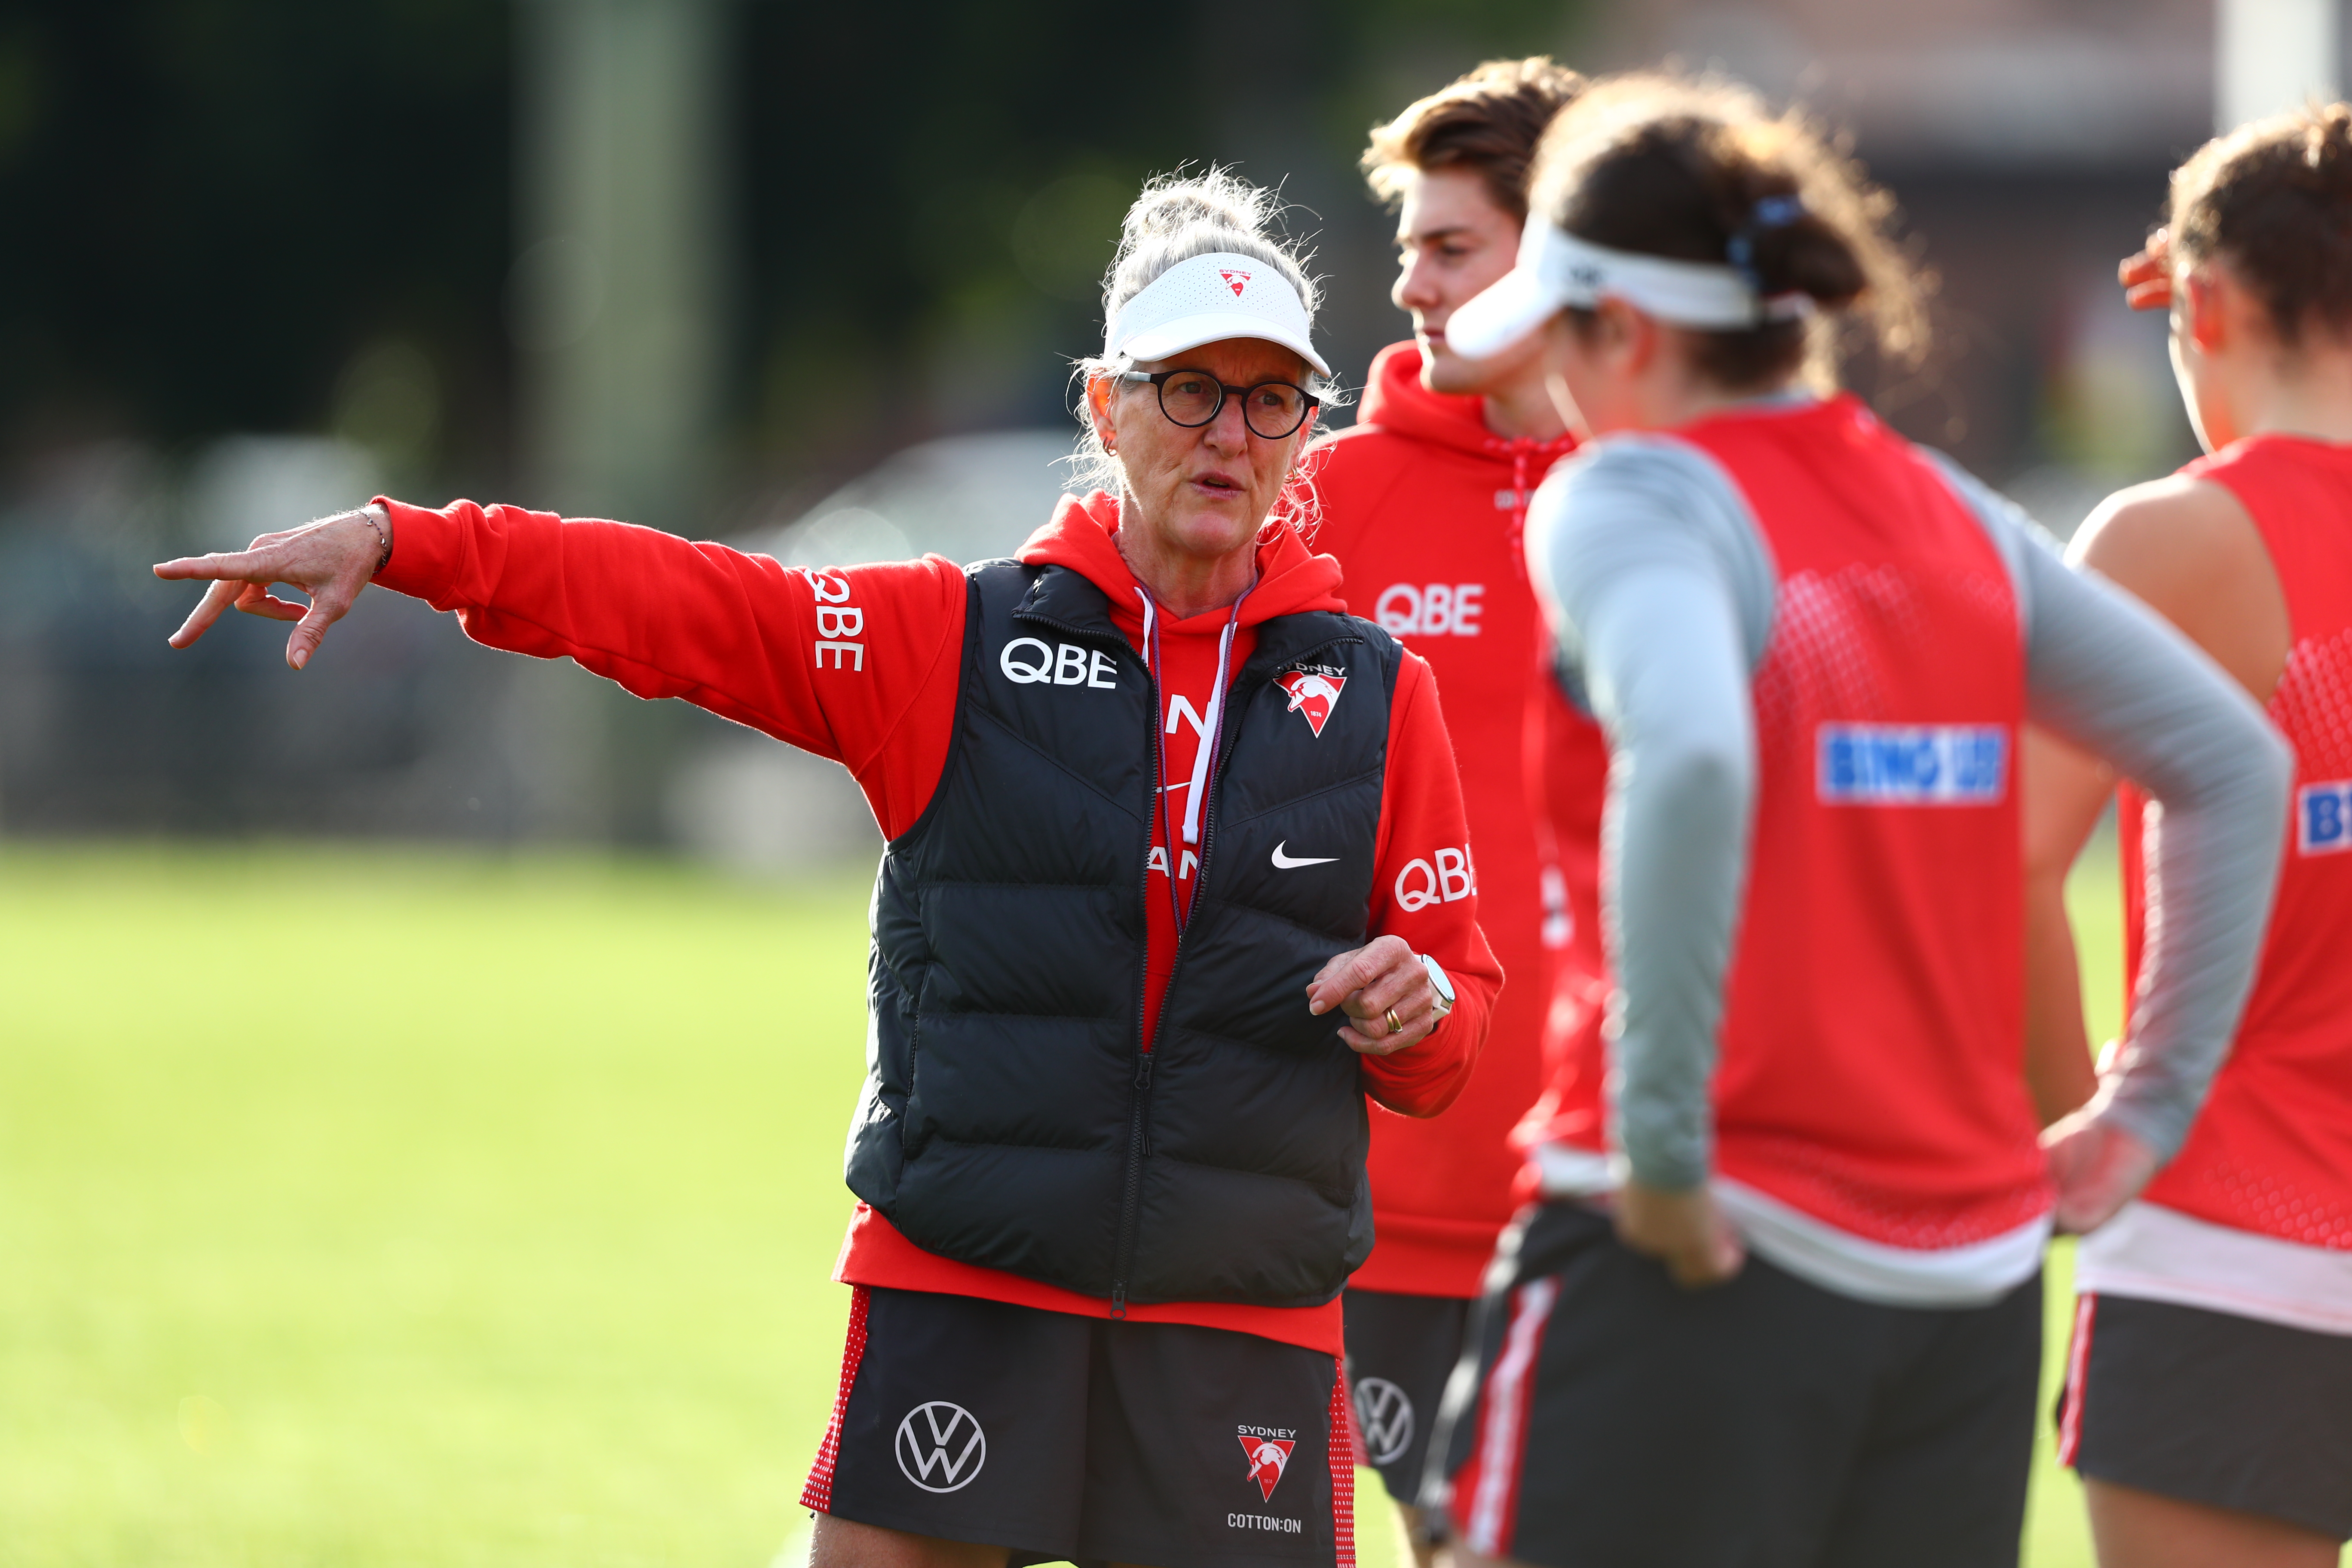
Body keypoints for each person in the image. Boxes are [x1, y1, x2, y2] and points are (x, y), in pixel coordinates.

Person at [154, 170, 1502, 1568]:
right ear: (1106, 408)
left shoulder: (1380, 693)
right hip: (973, 1284)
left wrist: (1416, 1011)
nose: (1228, 433)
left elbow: (1453, 1023)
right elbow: (683, 602)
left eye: (1269, 399)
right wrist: (407, 544)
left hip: (1240, 1316)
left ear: (1306, 430)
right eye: (1189, 390)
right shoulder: (950, 641)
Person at [1416, 72, 2290, 1568]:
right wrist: (2147, 1107)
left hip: (1705, 1247)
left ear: (1628, 331)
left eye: (1562, 333)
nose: (1550, 377)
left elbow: (1692, 753)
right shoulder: (1954, 514)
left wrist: (1664, 1149)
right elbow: (2234, 766)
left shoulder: (1633, 493)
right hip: (1968, 1290)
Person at [2026, 106, 2352, 1568]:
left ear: (2200, 305)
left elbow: (2011, 859)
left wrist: (2087, 1140)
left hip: (2234, 1248)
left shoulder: (2177, 539)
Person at [1307, 58, 1597, 1562]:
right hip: (1405, 1195)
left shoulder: (1683, 494)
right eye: (1408, 244)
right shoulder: (1326, 498)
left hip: (1640, 1195)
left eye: (1451, 246)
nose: (1409, 284)